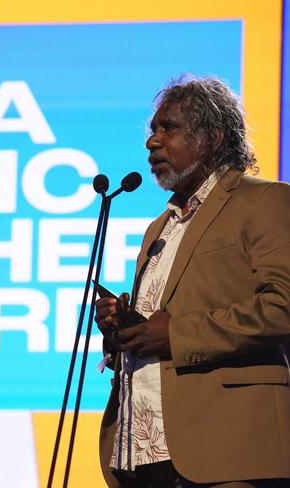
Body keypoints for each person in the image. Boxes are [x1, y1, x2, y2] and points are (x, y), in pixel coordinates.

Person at [95, 76, 290, 488]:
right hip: (142, 451)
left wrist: (177, 335)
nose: (152, 141)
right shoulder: (159, 228)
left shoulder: (265, 201)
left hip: (226, 449)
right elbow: (158, 328)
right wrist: (125, 330)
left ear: (213, 137)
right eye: (152, 130)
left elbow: (282, 306)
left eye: (168, 128)